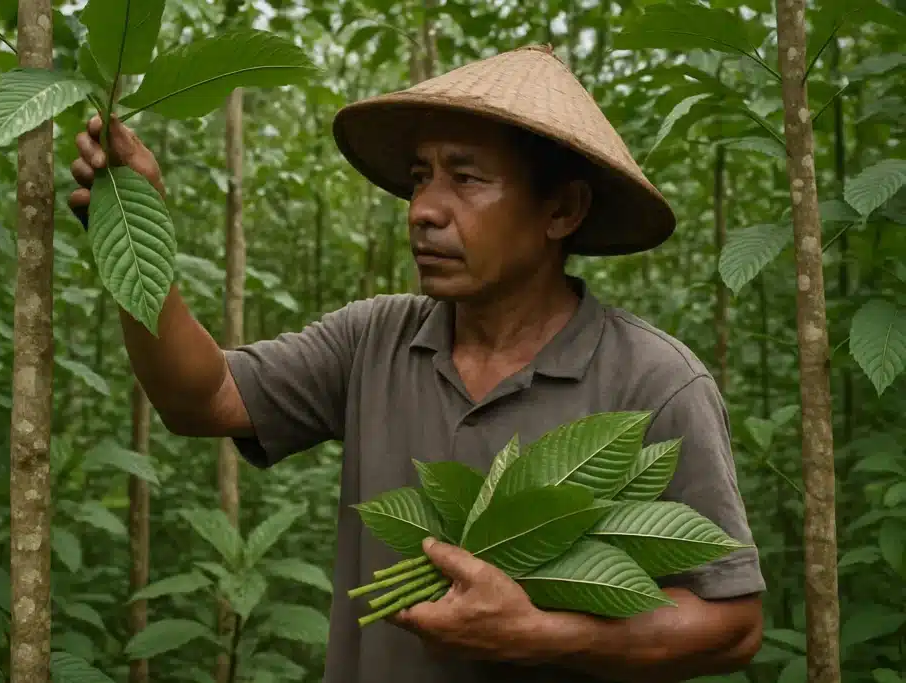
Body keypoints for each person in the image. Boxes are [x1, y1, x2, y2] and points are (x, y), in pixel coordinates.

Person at [68, 45, 765, 683]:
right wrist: (136, 237)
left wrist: (543, 633)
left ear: (562, 209)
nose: (423, 210)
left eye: (466, 178)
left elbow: (731, 625)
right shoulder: (375, 340)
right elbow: (202, 396)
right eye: (420, 177)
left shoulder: (653, 381)